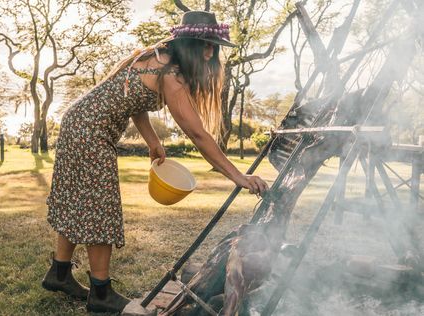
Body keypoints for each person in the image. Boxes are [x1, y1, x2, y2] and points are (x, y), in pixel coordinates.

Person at [42, 10, 268, 314]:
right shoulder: (171, 76)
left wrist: (153, 141)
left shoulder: (155, 57)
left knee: (78, 201)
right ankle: (101, 293)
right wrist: (238, 176)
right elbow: (198, 135)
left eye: (213, 46)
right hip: (90, 132)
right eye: (206, 45)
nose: (211, 53)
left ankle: (59, 274)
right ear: (190, 44)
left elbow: (134, 104)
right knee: (99, 207)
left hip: (78, 122)